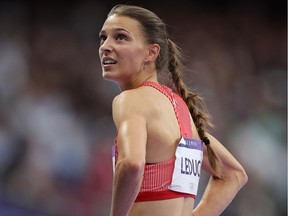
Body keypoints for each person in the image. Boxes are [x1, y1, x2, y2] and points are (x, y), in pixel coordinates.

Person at [98, 4, 248, 216]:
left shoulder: (130, 100)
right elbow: (233, 174)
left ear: (151, 53)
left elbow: (131, 164)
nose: (105, 46)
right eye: (103, 37)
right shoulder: (180, 109)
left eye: (121, 37)